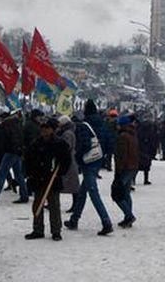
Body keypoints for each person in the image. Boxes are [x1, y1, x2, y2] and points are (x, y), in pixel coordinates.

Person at [65, 99, 113, 236]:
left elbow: (84, 145)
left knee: (93, 193)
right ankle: (74, 219)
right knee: (82, 192)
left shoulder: (83, 125)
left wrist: (78, 157)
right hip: (97, 160)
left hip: (88, 162)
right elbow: (109, 142)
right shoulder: (103, 124)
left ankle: (106, 222)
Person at [25, 118, 71, 241]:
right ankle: (37, 229)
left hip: (53, 179)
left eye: (47, 129)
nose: (44, 131)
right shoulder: (36, 143)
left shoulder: (59, 144)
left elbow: (66, 161)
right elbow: (28, 159)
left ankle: (56, 231)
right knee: (37, 204)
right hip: (38, 178)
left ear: (52, 130)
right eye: (43, 129)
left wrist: (60, 172)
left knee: (54, 205)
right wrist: (29, 173)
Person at [0, 113, 29, 205]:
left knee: (1, 174)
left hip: (9, 152)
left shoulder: (6, 125)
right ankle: (24, 195)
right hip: (18, 152)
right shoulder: (18, 125)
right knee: (18, 175)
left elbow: (2, 141)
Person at [113, 114, 139, 228]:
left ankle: (129, 215)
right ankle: (128, 217)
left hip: (125, 168)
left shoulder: (123, 136)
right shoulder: (132, 134)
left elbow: (121, 156)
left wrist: (119, 170)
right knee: (126, 193)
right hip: (133, 166)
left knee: (117, 194)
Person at [56, 115, 80, 213]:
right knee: (71, 184)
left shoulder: (67, 133)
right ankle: (75, 204)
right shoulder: (68, 132)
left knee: (72, 185)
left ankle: (76, 205)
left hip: (68, 161)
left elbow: (66, 147)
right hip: (69, 161)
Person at [137, 117, 158, 185]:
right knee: (146, 166)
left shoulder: (139, 131)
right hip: (148, 151)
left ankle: (133, 179)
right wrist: (153, 152)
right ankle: (146, 179)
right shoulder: (151, 132)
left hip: (141, 150)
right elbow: (153, 142)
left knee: (138, 166)